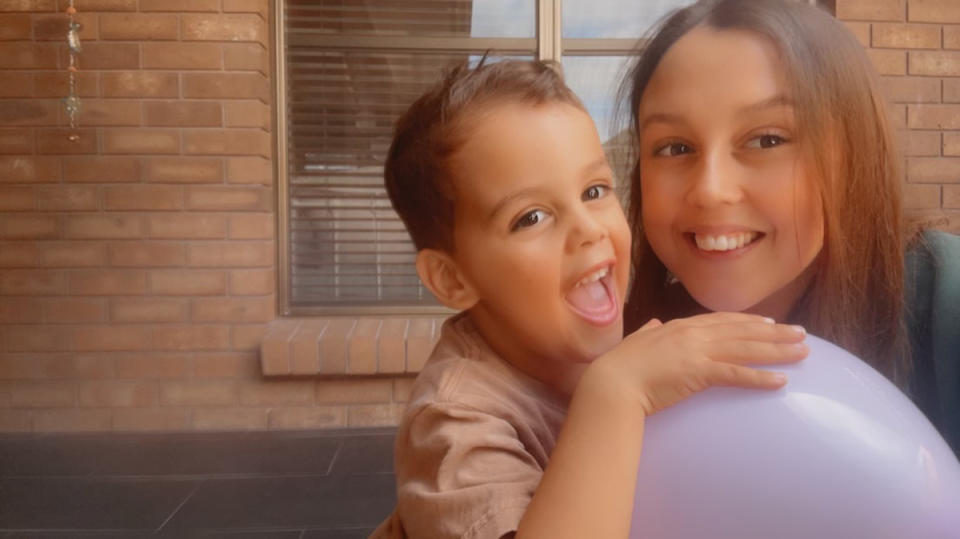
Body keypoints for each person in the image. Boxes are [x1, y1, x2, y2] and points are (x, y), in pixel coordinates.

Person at [371, 59, 808, 538]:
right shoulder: (454, 425)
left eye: (595, 190)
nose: (588, 228)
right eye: (531, 217)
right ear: (452, 279)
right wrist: (615, 394)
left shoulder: (593, 341)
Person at [620, 0, 960, 454]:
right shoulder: (623, 360)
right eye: (675, 147)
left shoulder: (945, 309)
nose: (711, 189)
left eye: (767, 139)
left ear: (852, 157)